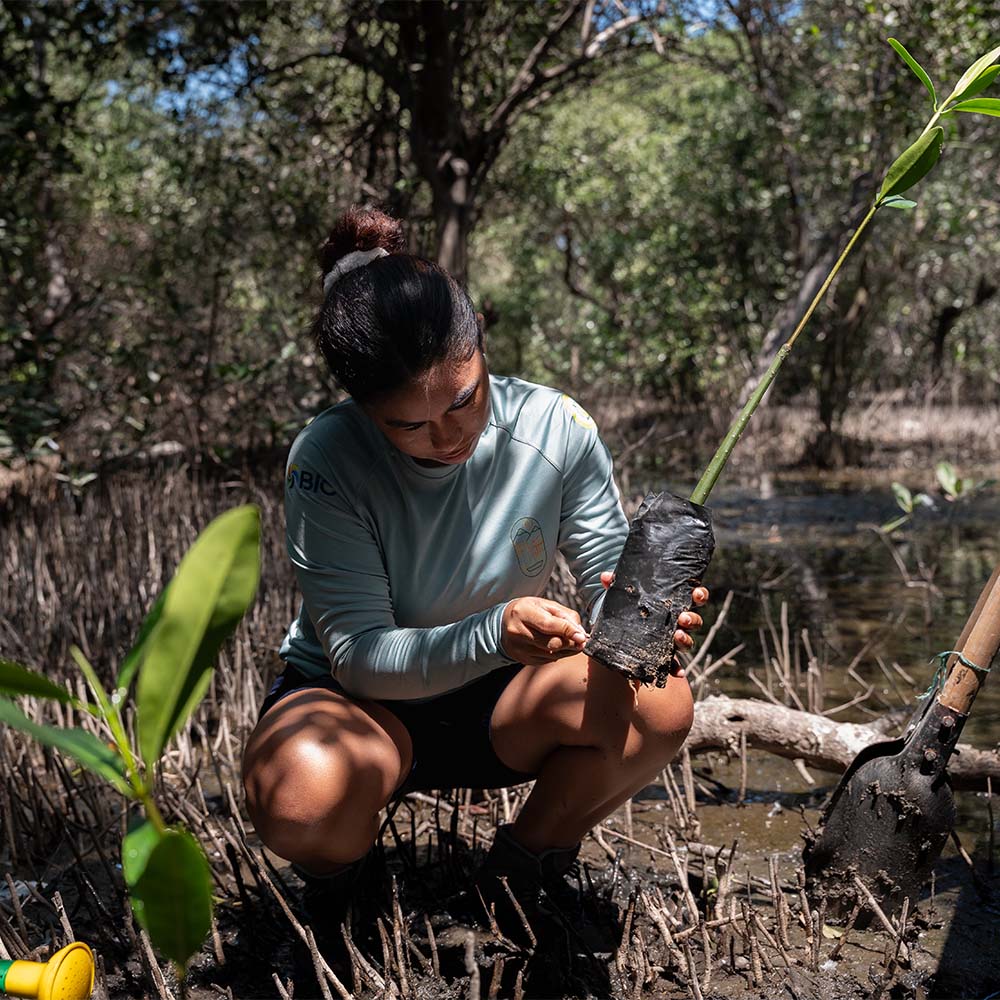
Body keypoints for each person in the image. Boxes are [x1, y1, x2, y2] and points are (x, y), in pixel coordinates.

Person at [241, 205, 708, 943]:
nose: (451, 433)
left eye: (464, 398)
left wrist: (646, 622)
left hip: (503, 701)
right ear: (364, 411)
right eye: (410, 425)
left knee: (661, 706)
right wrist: (493, 629)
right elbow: (360, 656)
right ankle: (344, 890)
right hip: (361, 703)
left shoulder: (558, 428)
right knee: (302, 794)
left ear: (480, 343)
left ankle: (524, 868)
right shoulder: (325, 459)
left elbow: (602, 577)